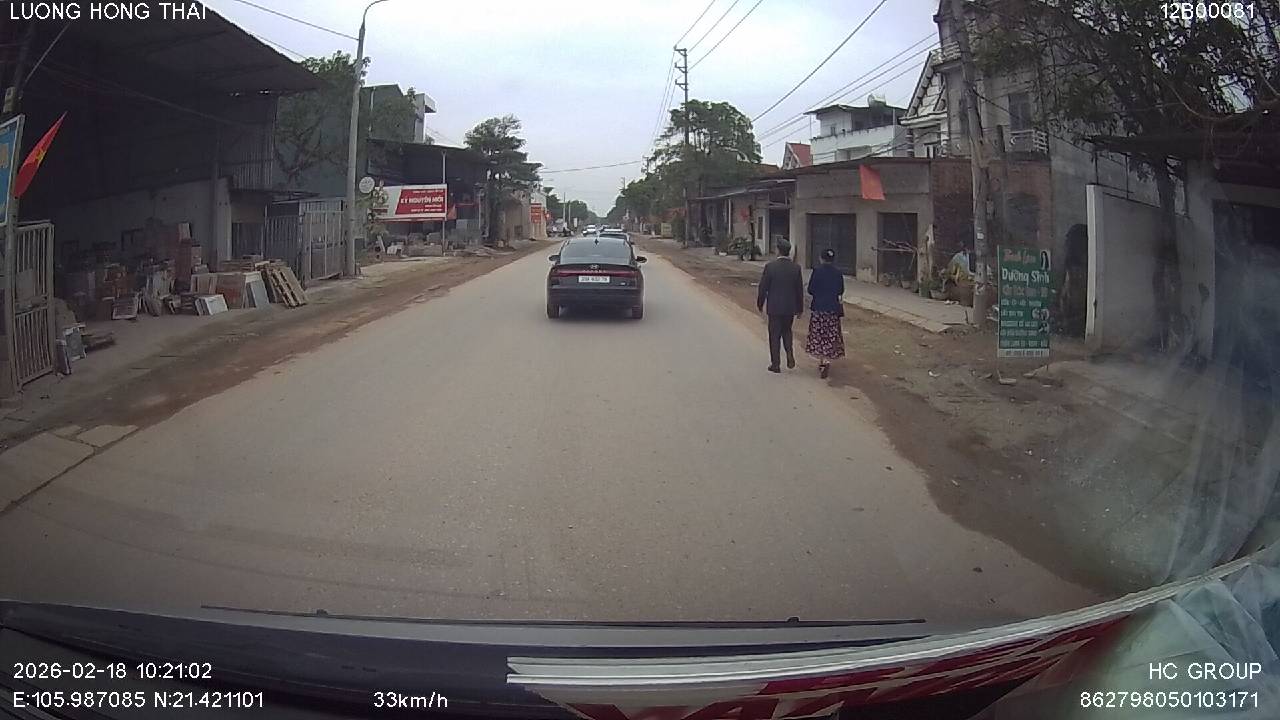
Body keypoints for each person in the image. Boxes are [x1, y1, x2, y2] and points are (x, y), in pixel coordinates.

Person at [756, 239, 804, 373]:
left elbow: (763, 287)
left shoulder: (770, 267)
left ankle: (775, 364)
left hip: (774, 307)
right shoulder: (796, 268)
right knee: (787, 331)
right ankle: (789, 354)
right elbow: (799, 290)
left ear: (778, 250)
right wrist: (799, 309)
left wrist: (760, 303)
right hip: (789, 307)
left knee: (774, 335)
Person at [805, 248, 846, 378]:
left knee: (819, 335)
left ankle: (822, 361)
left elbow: (810, 290)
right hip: (832, 309)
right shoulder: (838, 273)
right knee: (830, 335)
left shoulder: (817, 271)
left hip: (819, 309)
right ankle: (827, 360)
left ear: (821, 258)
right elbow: (841, 290)